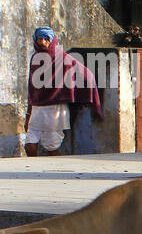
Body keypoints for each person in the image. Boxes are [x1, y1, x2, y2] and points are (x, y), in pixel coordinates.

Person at [24, 26, 100, 156]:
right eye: (39, 39)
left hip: (55, 108)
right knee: (29, 144)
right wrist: (28, 113)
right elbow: (32, 88)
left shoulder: (61, 57)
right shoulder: (35, 58)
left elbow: (86, 73)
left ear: (52, 40)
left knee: (52, 146)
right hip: (37, 108)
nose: (42, 42)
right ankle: (32, 168)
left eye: (46, 39)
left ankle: (56, 169)